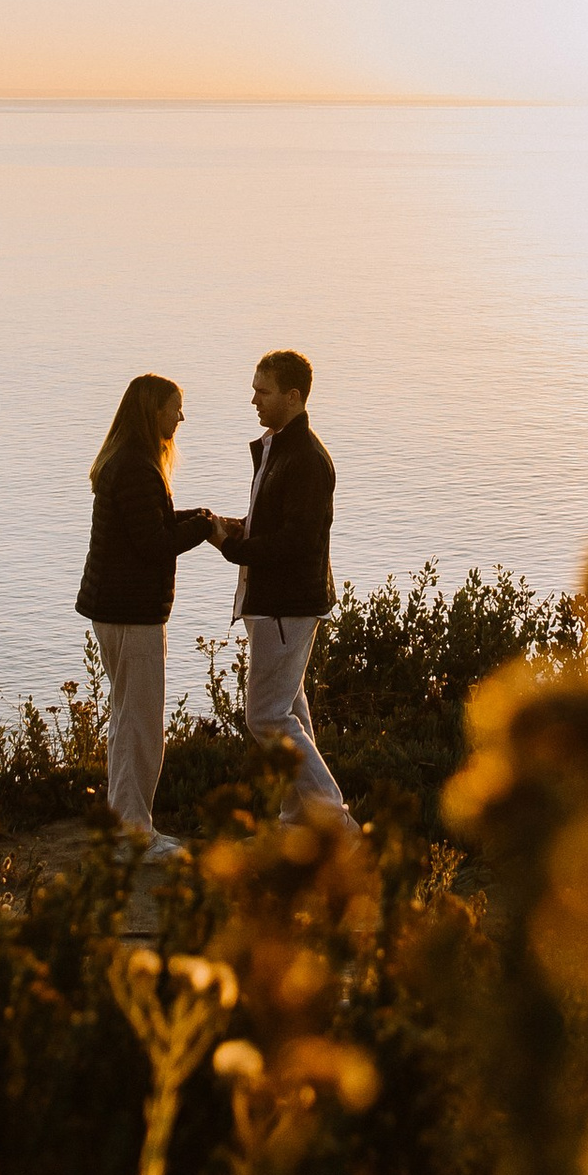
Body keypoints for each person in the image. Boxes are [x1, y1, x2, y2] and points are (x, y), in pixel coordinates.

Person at [205, 348, 352, 825]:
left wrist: (232, 547)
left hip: (287, 605)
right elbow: (276, 524)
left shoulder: (307, 459)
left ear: (292, 396)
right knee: (291, 709)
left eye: (262, 391)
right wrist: (241, 527)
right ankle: (300, 819)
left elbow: (298, 541)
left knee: (266, 716)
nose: (253, 400)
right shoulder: (277, 448)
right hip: (275, 601)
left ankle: (335, 821)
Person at [77, 373, 213, 843]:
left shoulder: (128, 461)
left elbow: (149, 523)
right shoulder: (138, 466)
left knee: (125, 720)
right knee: (142, 728)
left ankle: (122, 824)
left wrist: (197, 517)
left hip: (114, 608)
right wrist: (205, 531)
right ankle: (135, 835)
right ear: (152, 411)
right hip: (131, 614)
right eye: (176, 407)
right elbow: (154, 544)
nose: (181, 416)